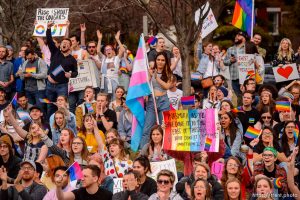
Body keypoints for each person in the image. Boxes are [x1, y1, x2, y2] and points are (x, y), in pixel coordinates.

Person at [45, 22, 78, 118]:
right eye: (63, 43)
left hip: (62, 87)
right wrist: (48, 28)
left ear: (70, 47)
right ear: (60, 45)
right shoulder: (55, 52)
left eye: (67, 43)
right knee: (50, 106)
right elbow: (50, 40)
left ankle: (63, 126)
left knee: (62, 107)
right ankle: (51, 129)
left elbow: (76, 73)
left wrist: (70, 75)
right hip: (50, 85)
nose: (64, 44)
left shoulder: (72, 59)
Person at [140, 51, 172, 148]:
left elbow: (167, 86)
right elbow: (145, 85)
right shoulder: (151, 70)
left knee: (165, 127)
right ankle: (144, 151)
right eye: (158, 60)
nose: (160, 62)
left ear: (166, 61)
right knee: (147, 128)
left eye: (162, 60)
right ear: (155, 60)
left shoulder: (168, 73)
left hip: (163, 101)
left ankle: (166, 150)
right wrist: (150, 75)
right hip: (152, 101)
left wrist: (156, 78)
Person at [98, 30, 125, 99]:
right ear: (105, 52)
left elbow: (122, 50)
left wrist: (118, 39)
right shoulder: (103, 58)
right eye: (106, 50)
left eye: (109, 49)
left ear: (113, 51)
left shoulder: (116, 58)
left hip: (114, 82)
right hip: (104, 82)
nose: (108, 51)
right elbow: (98, 51)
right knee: (105, 99)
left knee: (114, 99)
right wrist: (99, 39)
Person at [223, 31, 247, 97]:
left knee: (246, 96)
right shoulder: (230, 49)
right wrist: (230, 61)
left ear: (244, 38)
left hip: (246, 78)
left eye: (239, 36)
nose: (236, 37)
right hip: (234, 78)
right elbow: (225, 62)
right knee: (239, 97)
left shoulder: (247, 48)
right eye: (236, 36)